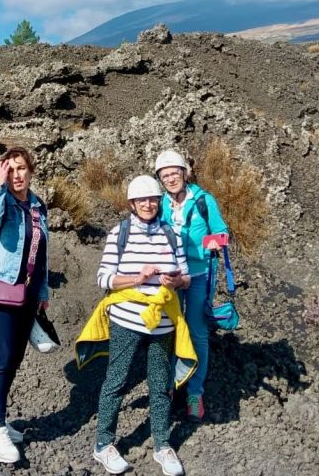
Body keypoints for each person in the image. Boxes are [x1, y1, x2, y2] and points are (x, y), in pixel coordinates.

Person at [75, 175, 196, 476]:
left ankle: (162, 446)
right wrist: (136, 279)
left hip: (163, 322)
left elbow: (187, 277)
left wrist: (176, 280)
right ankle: (104, 445)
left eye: (153, 199)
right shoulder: (120, 233)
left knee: (159, 386)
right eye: (142, 200)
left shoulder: (172, 235)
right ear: (131, 203)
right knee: (116, 381)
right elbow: (103, 278)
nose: (148, 204)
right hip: (126, 319)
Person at [0, 147, 49, 465]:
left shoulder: (37, 204)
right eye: (12, 169)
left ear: (31, 171)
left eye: (22, 168)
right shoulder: (1, 199)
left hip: (28, 291)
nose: (17, 174)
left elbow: (41, 250)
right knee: (2, 357)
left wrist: (42, 291)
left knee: (16, 357)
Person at [155, 149, 229, 423]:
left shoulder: (203, 201)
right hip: (169, 278)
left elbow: (222, 235)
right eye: (165, 175)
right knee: (167, 331)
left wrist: (199, 248)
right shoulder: (159, 203)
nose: (171, 178)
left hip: (199, 276)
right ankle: (169, 386)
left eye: (175, 173)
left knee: (197, 332)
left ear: (185, 173)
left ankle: (194, 393)